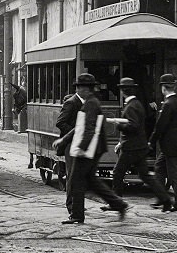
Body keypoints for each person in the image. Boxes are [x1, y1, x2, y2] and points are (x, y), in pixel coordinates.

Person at [53, 73, 127, 224]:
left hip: (89, 148)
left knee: (76, 180)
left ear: (87, 89)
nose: (78, 90)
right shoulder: (91, 102)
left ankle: (77, 215)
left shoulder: (91, 103)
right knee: (90, 180)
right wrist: (63, 140)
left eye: (80, 87)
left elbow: (89, 129)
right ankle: (117, 204)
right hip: (92, 147)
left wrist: (80, 147)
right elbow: (80, 127)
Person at [111, 77, 173, 211]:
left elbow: (133, 126)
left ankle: (116, 202)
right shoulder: (137, 104)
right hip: (139, 146)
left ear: (122, 92)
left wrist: (119, 125)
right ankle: (166, 200)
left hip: (131, 148)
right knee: (145, 175)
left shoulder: (131, 106)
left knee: (117, 173)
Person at [148, 74, 177, 207]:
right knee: (159, 167)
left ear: (163, 88)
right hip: (176, 143)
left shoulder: (167, 104)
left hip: (168, 145)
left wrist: (151, 141)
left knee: (174, 174)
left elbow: (160, 126)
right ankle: (162, 197)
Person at [56, 88, 85, 216]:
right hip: (71, 144)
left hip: (80, 144)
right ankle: (72, 207)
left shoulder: (86, 102)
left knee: (78, 176)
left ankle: (77, 207)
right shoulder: (71, 102)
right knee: (72, 176)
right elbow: (60, 122)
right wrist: (75, 132)